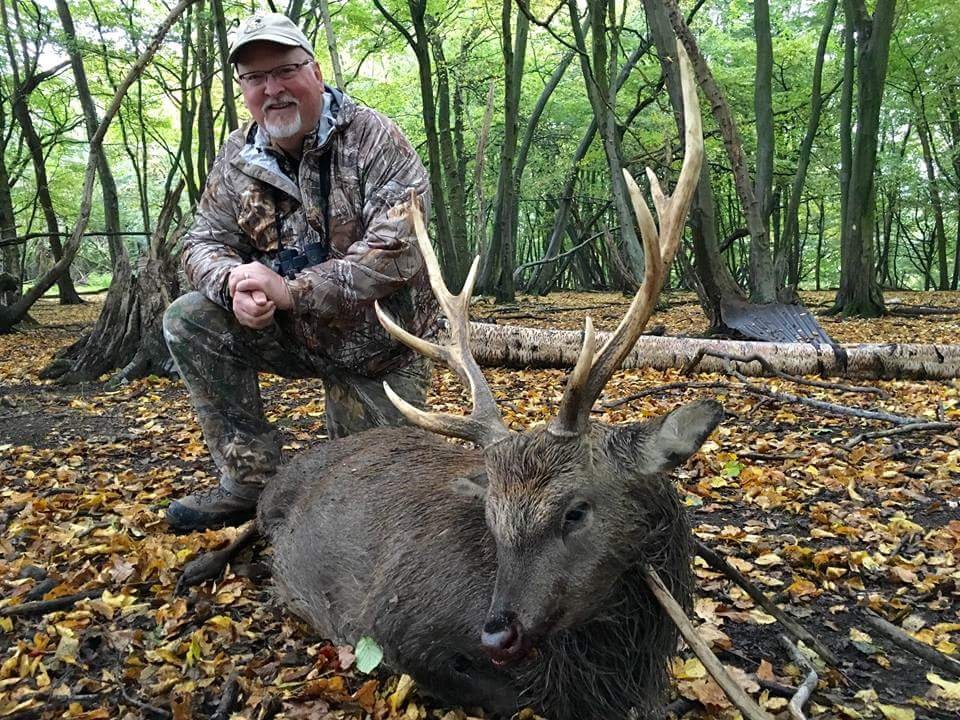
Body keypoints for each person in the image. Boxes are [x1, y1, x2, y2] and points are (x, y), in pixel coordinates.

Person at [162, 12, 439, 531]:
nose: (273, 89)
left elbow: (398, 250)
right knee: (190, 317)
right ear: (243, 87)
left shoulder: (375, 139)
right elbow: (201, 241)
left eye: (285, 70)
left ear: (314, 71)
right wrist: (233, 285)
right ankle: (248, 481)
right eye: (254, 78)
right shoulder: (236, 155)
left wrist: (290, 291)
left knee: (372, 510)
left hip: (378, 345)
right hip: (289, 335)